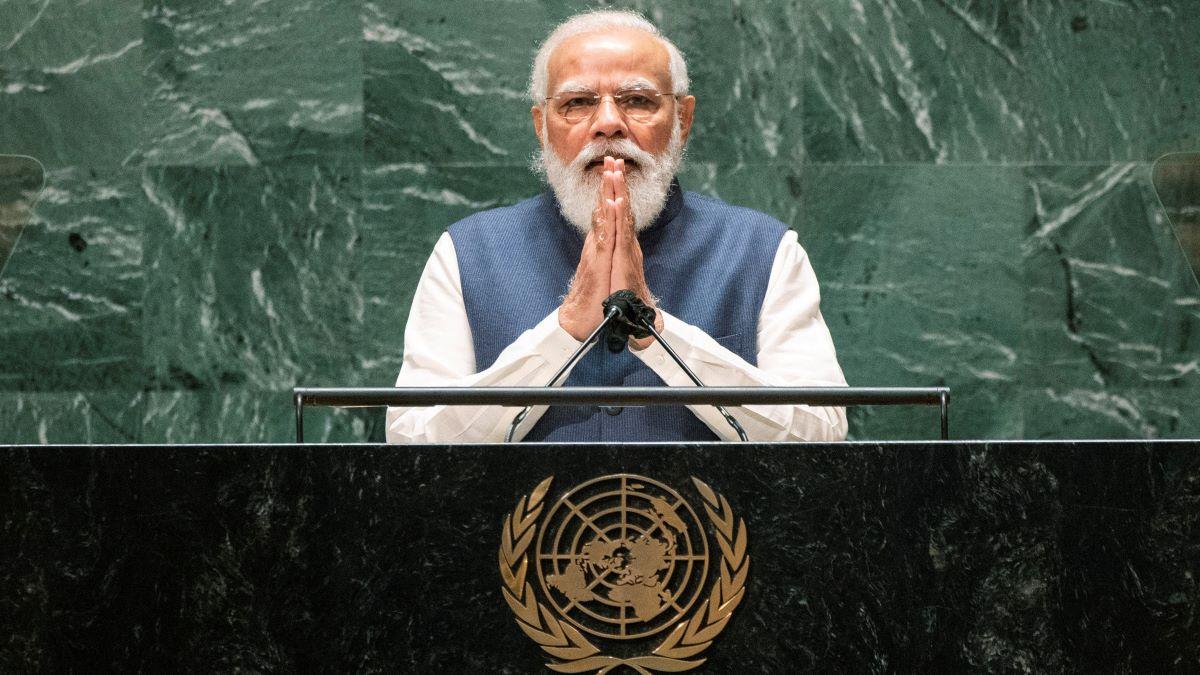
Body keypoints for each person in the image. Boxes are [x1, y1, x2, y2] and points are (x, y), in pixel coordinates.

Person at [386, 10, 847, 443]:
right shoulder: (466, 253)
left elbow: (823, 432)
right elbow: (412, 439)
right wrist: (566, 329)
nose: (608, 124)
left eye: (637, 101)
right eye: (578, 103)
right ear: (542, 126)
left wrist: (654, 328)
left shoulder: (765, 250)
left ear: (683, 119)